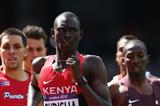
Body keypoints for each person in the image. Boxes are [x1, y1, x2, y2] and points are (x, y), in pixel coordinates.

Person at [27, 11, 112, 106]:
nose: (67, 35)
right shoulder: (39, 65)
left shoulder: (91, 64)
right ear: (52, 33)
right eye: (62, 30)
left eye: (72, 30)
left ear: (80, 34)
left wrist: (81, 82)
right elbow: (34, 87)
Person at [109, 39, 160, 106]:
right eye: (130, 57)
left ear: (147, 59)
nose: (136, 61)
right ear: (123, 61)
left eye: (140, 56)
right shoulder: (114, 89)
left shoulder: (158, 86)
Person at [0, 27, 31, 106]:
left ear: (25, 52)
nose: (11, 51)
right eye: (6, 47)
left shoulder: (37, 83)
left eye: (17, 47)